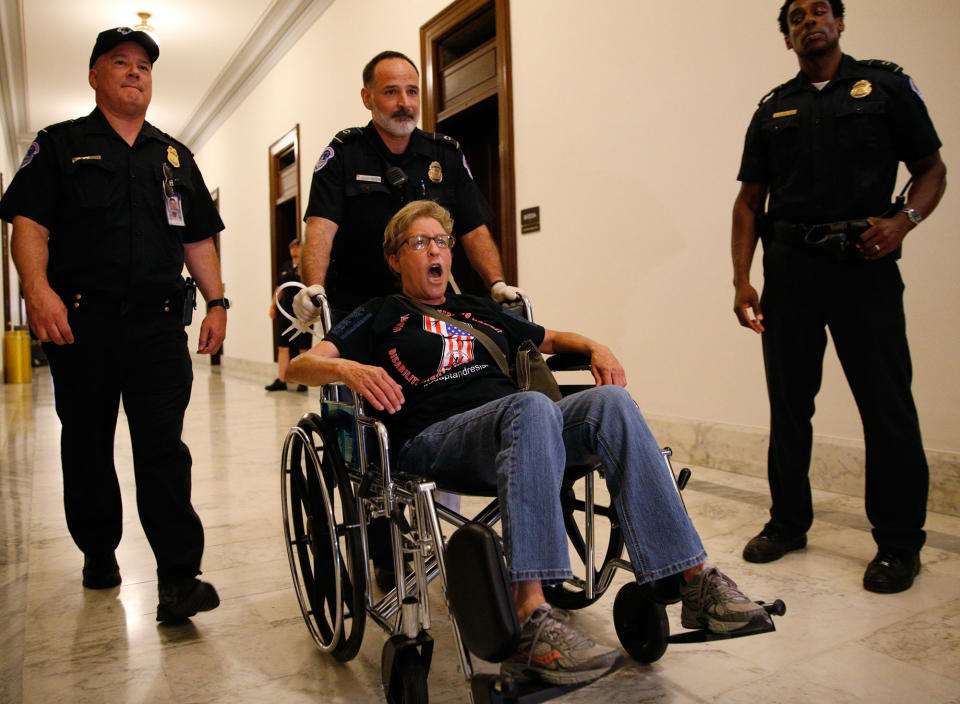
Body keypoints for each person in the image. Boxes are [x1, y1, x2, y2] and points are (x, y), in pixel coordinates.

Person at [288, 200, 773, 685]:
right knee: (532, 406)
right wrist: (348, 368)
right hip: (433, 440)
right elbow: (300, 365)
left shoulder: (476, 308)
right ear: (395, 259)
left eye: (441, 242)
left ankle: (694, 582)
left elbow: (554, 337)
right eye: (419, 243)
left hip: (520, 430)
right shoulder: (379, 313)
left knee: (611, 403)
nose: (434, 251)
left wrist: (597, 347)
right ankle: (531, 619)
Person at [0, 27, 228, 622]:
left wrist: (219, 302)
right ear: (95, 77)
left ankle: (179, 578)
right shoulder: (58, 145)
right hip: (82, 326)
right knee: (86, 445)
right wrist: (38, 291)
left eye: (143, 66)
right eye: (120, 63)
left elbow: (198, 235)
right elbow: (27, 223)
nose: (134, 72)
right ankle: (99, 551)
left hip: (158, 329)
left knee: (163, 450)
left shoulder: (175, 157)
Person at [731, 0, 947, 593]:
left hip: (865, 267)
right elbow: (750, 201)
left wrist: (902, 221)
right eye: (796, 17)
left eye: (819, 11)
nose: (809, 22)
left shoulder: (884, 86)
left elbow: (932, 169)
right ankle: (787, 523)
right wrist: (741, 280)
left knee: (887, 407)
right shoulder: (774, 108)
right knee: (790, 405)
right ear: (787, 38)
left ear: (841, 23)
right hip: (791, 272)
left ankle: (900, 545)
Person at [292, 50, 522, 326]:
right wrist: (314, 287)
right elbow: (320, 229)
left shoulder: (445, 154)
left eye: (412, 92)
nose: (405, 103)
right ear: (368, 98)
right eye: (391, 92)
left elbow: (474, 229)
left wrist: (497, 283)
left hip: (430, 310)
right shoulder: (344, 154)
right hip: (359, 311)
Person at [266, 238, 309, 392]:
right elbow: (280, 287)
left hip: (303, 313)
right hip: (285, 311)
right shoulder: (286, 266)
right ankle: (281, 379)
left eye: (297, 247)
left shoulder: (307, 265)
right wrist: (273, 306)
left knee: (303, 347)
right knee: (283, 346)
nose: (294, 250)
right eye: (292, 247)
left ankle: (304, 381)